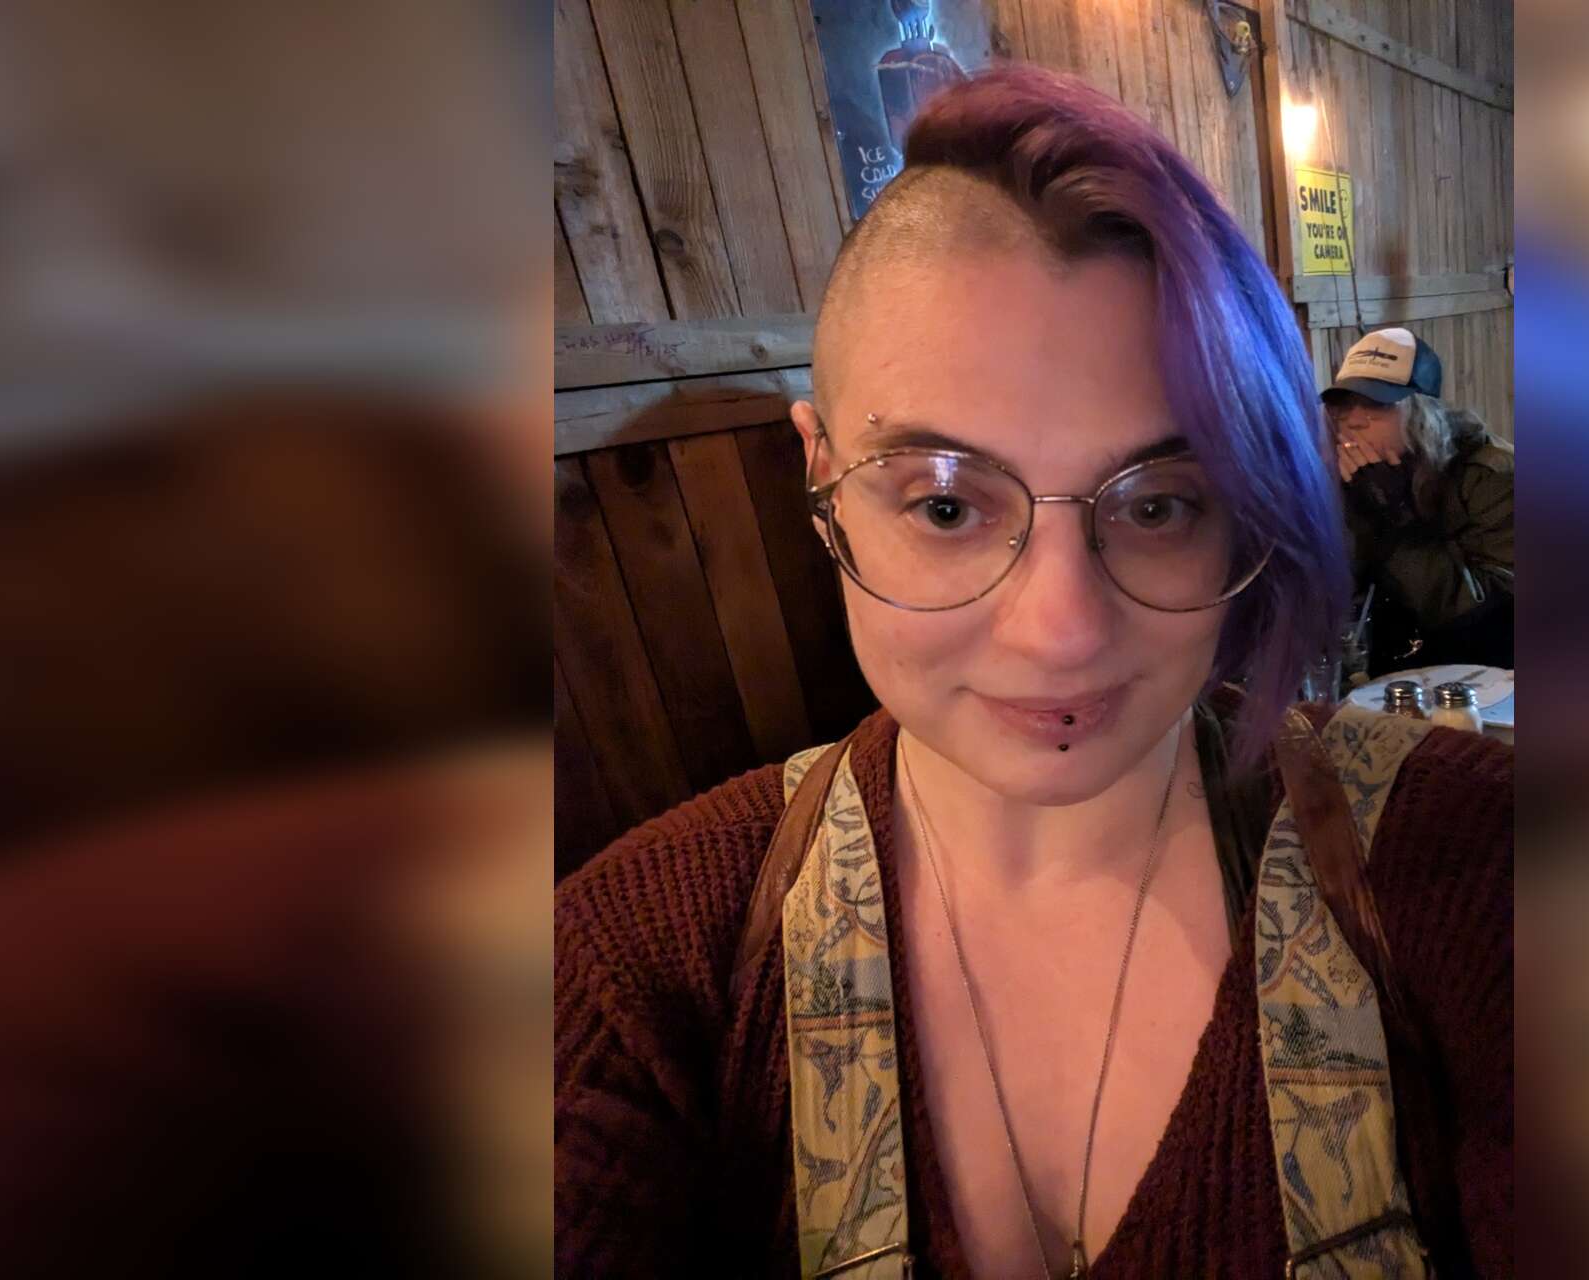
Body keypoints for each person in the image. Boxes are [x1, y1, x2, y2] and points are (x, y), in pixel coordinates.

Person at [555, 65, 1511, 1279]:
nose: (1061, 630)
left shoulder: (1473, 866)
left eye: (1158, 503)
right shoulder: (633, 970)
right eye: (945, 504)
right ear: (820, 475)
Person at [1326, 328, 1516, 672]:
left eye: (1377, 404)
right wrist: (1352, 507)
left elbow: (1490, 620)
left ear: (1422, 412)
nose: (1354, 420)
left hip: (1487, 673)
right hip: (1392, 668)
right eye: (1344, 404)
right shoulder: (1357, 477)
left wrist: (1397, 521)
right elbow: (1335, 592)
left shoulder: (1491, 477)